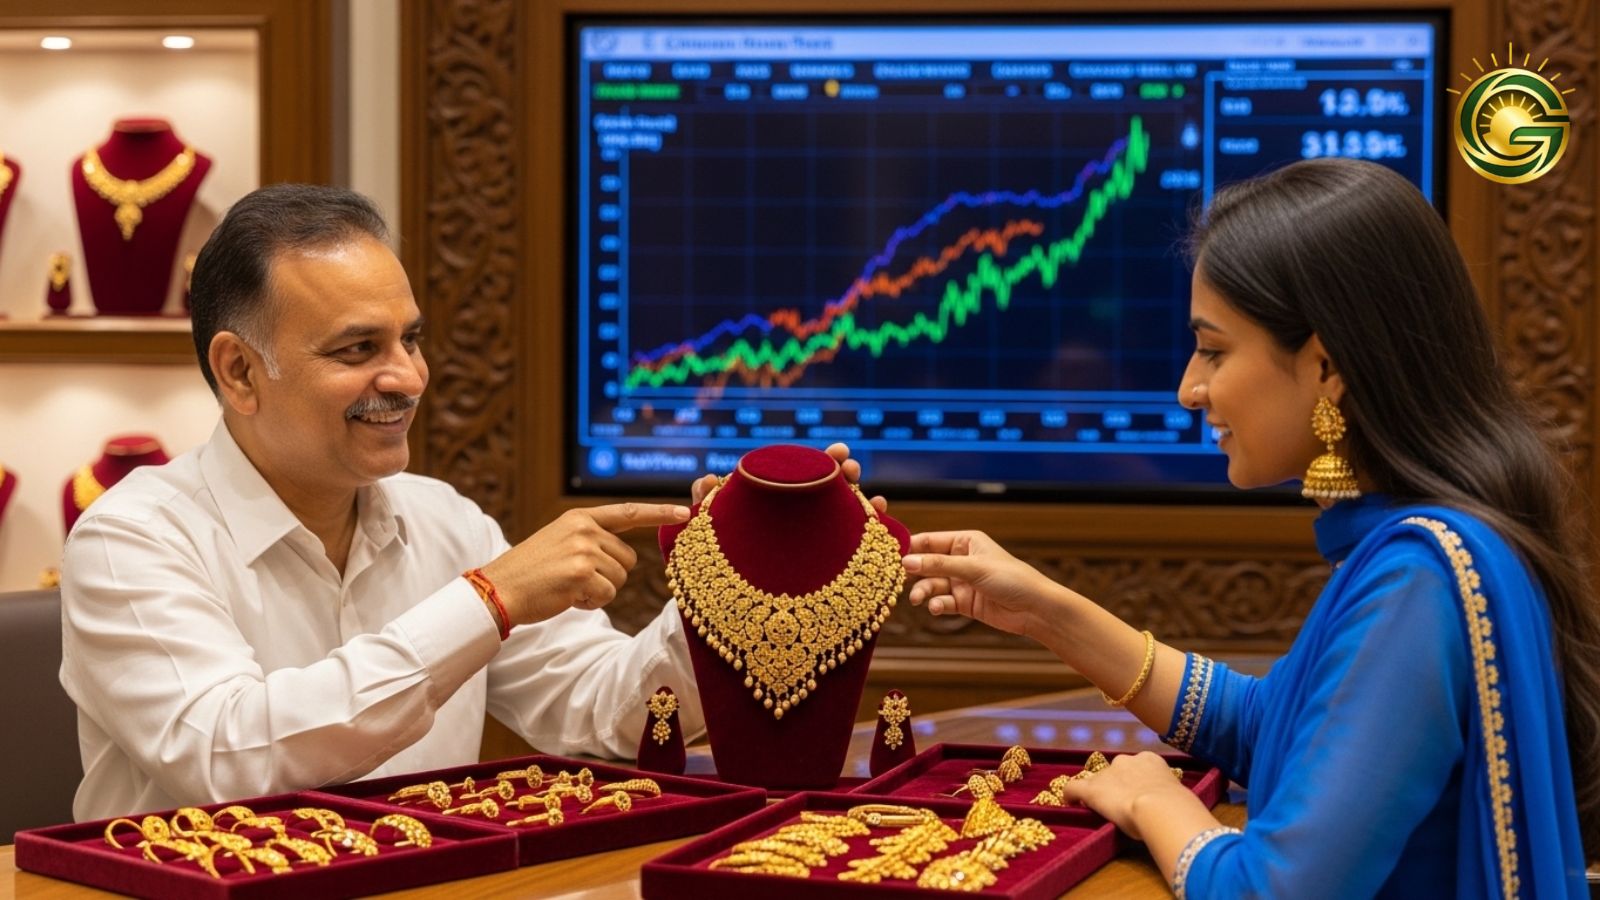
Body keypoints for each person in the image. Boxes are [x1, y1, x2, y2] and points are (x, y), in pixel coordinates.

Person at [57, 183, 877, 822]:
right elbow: (228, 753)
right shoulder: (129, 539)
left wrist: (737, 568)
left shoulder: (444, 520)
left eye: (409, 338)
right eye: (358, 349)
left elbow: (613, 714)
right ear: (239, 372)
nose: (408, 378)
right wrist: (488, 600)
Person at [902, 159, 1597, 897]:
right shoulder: (1425, 548)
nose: (1189, 389)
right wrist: (1045, 610)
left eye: (1214, 348)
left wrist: (1156, 804)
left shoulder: (1416, 582)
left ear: (1327, 366)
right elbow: (1273, 723)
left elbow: (1269, 890)